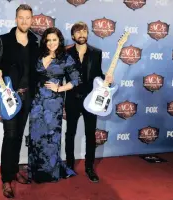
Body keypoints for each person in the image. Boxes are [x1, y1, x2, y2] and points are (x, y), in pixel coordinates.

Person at [0, 4, 39, 199]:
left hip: (27, 96)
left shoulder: (36, 41)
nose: (25, 21)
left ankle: (14, 171)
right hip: (9, 96)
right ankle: (6, 179)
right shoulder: (3, 40)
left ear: (32, 19)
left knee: (19, 135)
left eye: (28, 18)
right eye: (21, 17)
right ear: (16, 19)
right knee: (9, 135)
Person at [27, 27, 80, 183]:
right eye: (48, 40)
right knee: (36, 137)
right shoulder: (38, 55)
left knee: (51, 139)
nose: (51, 43)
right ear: (45, 41)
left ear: (60, 41)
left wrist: (60, 88)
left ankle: (50, 173)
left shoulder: (66, 58)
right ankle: (35, 173)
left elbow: (76, 80)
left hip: (54, 105)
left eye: (54, 40)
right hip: (36, 102)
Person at [65, 21, 113, 183]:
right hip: (71, 99)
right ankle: (69, 165)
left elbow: (98, 74)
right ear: (73, 36)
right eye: (78, 32)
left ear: (88, 34)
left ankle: (89, 167)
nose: (81, 34)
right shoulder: (65, 53)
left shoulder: (96, 53)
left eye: (84, 31)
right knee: (70, 134)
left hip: (91, 100)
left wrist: (107, 81)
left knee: (90, 135)